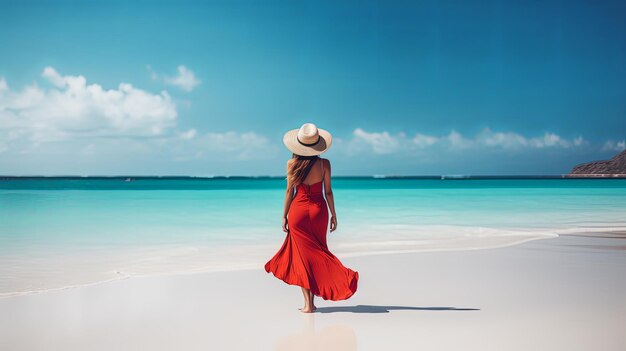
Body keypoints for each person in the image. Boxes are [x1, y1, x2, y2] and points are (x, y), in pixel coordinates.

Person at [264, 122, 359, 313]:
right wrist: (333, 214)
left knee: (302, 257)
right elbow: (329, 192)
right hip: (319, 212)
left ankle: (309, 304)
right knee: (318, 253)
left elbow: (289, 192)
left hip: (297, 212)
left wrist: (283, 216)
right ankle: (320, 296)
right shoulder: (324, 164)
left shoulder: (291, 164)